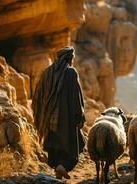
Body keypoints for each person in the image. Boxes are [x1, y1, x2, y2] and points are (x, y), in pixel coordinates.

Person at [32, 47, 85, 179]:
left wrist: (42, 115)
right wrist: (79, 117)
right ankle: (63, 166)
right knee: (73, 143)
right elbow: (76, 97)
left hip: (49, 118)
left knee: (54, 144)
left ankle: (58, 171)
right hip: (65, 118)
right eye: (71, 59)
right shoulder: (71, 72)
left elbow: (38, 94)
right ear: (69, 58)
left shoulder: (47, 72)